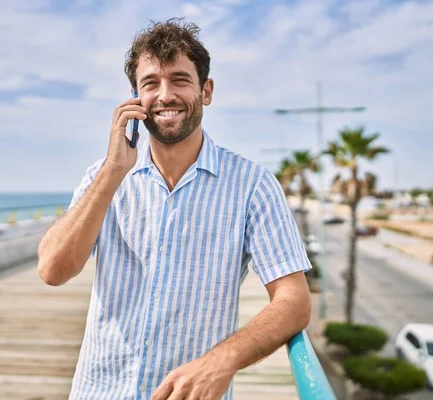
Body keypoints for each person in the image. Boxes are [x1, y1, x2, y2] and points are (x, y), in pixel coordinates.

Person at [37, 18, 312, 400]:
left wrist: (223, 360)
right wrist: (114, 171)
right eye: (150, 83)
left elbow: (294, 300)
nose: (165, 95)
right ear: (134, 97)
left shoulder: (253, 185)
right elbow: (52, 270)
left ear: (207, 90)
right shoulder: (102, 178)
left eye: (180, 80)